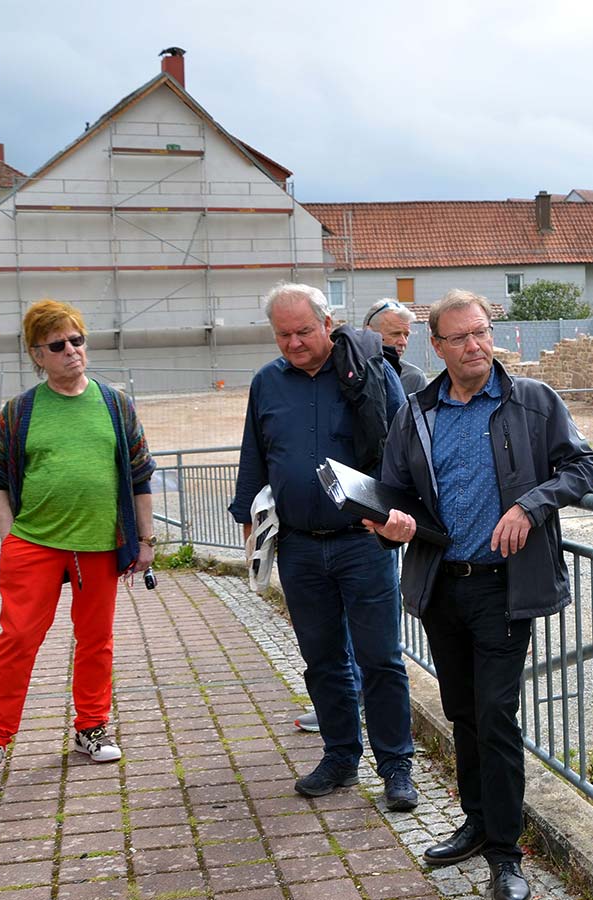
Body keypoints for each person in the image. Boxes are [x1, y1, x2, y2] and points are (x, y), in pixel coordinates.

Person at [365, 289, 593, 900]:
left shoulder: (533, 402)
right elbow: (395, 489)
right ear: (437, 347)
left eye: (482, 333)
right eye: (461, 338)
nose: (475, 346)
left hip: (504, 587)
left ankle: (506, 854)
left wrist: (532, 503)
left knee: (496, 715)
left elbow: (586, 467)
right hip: (442, 584)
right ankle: (474, 822)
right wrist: (390, 522)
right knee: (462, 711)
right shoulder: (418, 411)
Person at [228, 282, 419, 811]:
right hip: (299, 547)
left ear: (328, 322)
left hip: (362, 545)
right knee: (322, 660)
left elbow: (405, 452)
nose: (293, 343)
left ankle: (396, 768)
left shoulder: (373, 373)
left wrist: (393, 517)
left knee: (381, 660)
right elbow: (255, 454)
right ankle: (340, 758)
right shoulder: (267, 383)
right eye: (283, 335)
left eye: (303, 331)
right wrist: (248, 515)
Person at [0, 299, 157, 785]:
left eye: (77, 340)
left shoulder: (115, 404)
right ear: (37, 354)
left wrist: (146, 541)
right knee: (18, 640)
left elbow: (139, 475)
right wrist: (10, 537)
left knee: (96, 641)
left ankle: (91, 727)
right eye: (58, 344)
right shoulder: (20, 410)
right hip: (35, 544)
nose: (71, 350)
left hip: (98, 544)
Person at [364, 298, 427, 394]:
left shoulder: (414, 378)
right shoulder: (347, 371)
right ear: (369, 333)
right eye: (395, 334)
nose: (403, 342)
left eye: (406, 335)